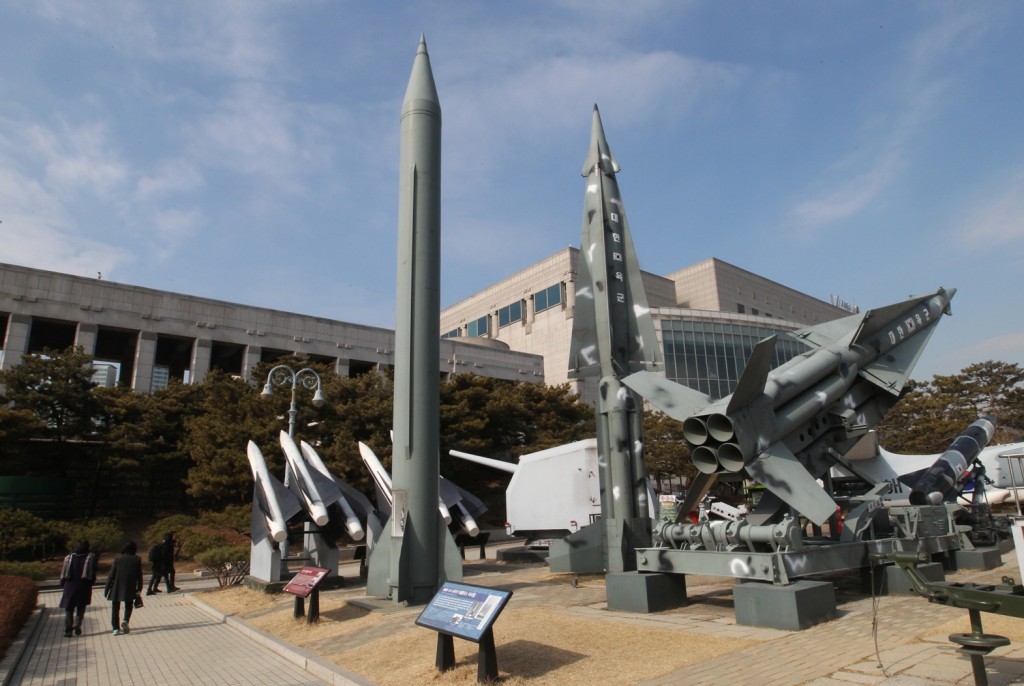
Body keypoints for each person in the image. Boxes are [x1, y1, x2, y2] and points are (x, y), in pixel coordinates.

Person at [58, 540, 97, 638]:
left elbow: (64, 572)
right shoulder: (90, 557)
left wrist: (63, 583)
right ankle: (77, 623)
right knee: (81, 606)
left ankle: (68, 631)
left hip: (70, 585)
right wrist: (91, 583)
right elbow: (92, 573)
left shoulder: (69, 557)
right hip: (83, 585)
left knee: (69, 608)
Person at [105, 540, 143, 635]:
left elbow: (111, 575)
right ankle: (125, 620)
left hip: (116, 586)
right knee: (129, 605)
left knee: (115, 607)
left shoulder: (118, 559)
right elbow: (139, 575)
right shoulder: (137, 559)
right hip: (130, 585)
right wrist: (139, 588)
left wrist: (107, 588)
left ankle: (115, 628)